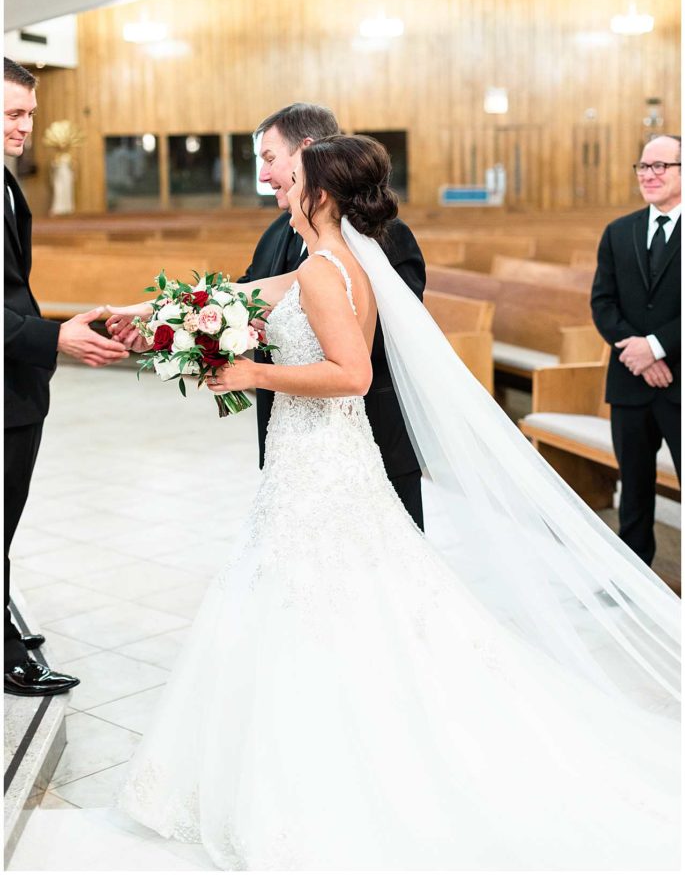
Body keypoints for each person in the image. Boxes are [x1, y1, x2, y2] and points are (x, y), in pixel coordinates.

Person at [110, 135, 678, 870]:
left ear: (319, 194)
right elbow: (242, 297)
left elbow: (351, 375)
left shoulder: (324, 272)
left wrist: (253, 373)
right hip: (319, 457)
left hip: (321, 457)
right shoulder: (336, 263)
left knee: (316, 592)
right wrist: (140, 314)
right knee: (347, 591)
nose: (280, 187)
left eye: (292, 177)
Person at [4, 57, 129, 696]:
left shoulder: (8, 184)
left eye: (30, 113)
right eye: (13, 113)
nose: (26, 126)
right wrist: (55, 336)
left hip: (17, 385)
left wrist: (55, 329)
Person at [241, 103, 426, 528]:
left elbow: (387, 341)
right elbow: (246, 292)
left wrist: (255, 371)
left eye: (270, 159)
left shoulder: (384, 240)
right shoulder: (278, 233)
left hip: (368, 442)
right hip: (294, 442)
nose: (264, 176)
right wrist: (161, 320)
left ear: (307, 156)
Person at [591, 134, 681, 566]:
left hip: (680, 383)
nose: (649, 174)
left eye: (660, 166)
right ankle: (633, 581)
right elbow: (602, 303)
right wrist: (640, 355)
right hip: (630, 382)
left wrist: (658, 347)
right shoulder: (619, 231)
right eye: (643, 166)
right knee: (633, 493)